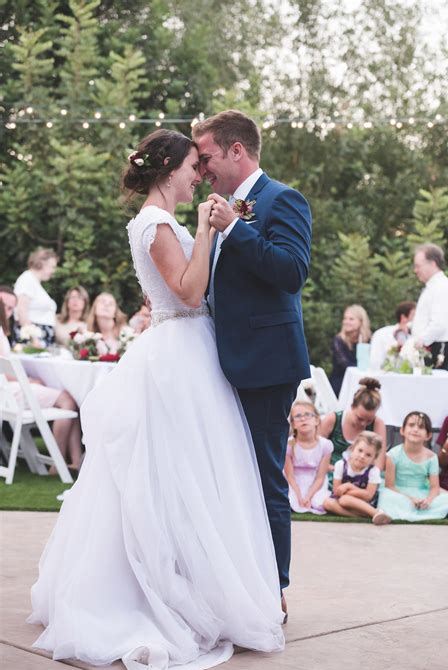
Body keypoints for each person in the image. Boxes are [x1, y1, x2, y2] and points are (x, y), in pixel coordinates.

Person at [28, 128, 285, 670]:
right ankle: (166, 596)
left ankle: (194, 582)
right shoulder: (157, 222)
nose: (200, 175)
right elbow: (189, 293)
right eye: (194, 165)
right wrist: (205, 231)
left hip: (187, 348)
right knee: (175, 477)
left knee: (191, 477)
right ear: (169, 169)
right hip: (178, 355)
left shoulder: (153, 222)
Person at [192, 110, 312, 621]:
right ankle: (239, 581)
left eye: (207, 158)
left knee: (265, 478)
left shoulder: (282, 199)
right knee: (229, 476)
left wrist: (236, 230)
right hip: (226, 360)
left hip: (266, 364)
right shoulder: (223, 207)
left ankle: (273, 591)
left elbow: (292, 271)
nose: (201, 170)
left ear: (236, 151)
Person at [0, 287, 82, 471]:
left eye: (11, 307)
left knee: (68, 397)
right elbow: (4, 372)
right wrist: (29, 381)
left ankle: (76, 462)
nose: (7, 311)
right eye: (4, 305)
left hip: (7, 394)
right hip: (9, 395)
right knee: (67, 399)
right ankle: (58, 463)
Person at [377, 412, 448, 521]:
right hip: (399, 493)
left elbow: (434, 487)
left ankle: (431, 510)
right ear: (402, 430)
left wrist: (428, 500)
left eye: (421, 427)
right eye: (411, 425)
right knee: (386, 497)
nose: (415, 430)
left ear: (428, 435)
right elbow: (390, 486)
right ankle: (437, 513)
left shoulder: (432, 457)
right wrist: (410, 499)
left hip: (422, 493)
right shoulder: (393, 454)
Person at [319, 377, 386, 488]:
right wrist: (333, 469)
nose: (364, 424)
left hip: (363, 478)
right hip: (331, 474)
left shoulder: (377, 424)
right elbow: (315, 451)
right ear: (352, 407)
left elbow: (379, 461)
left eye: (369, 420)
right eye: (359, 418)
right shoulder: (333, 419)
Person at [323, 431, 390, 524]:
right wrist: (347, 491)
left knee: (345, 499)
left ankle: (375, 512)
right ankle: (361, 516)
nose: (362, 456)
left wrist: (348, 486)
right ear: (352, 449)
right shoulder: (341, 465)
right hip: (342, 499)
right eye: (360, 450)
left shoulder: (373, 471)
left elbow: (368, 496)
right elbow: (337, 491)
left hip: (364, 503)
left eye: (368, 455)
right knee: (328, 503)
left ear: (374, 459)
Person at [412, 243, 448, 369]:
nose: (415, 270)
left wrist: (420, 341)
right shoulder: (433, 287)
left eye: (418, 266)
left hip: (436, 347)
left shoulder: (442, 287)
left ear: (432, 263)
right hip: (429, 345)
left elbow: (439, 323)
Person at [284, 401, 333, 514]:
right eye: (298, 416)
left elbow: (320, 477)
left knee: (318, 502)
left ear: (316, 420)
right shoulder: (289, 445)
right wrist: (300, 496)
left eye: (307, 415)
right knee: (291, 501)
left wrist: (308, 496)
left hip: (315, 483)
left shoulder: (325, 445)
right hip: (294, 483)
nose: (303, 419)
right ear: (293, 424)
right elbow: (289, 476)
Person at [13, 248, 58, 347]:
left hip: (42, 336)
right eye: (52, 267)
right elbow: (22, 310)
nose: (53, 271)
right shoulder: (27, 279)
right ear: (42, 262)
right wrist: (33, 339)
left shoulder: (34, 282)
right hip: (33, 338)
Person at [329, 305, 371, 397]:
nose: (346, 322)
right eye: (345, 318)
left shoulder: (367, 340)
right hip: (342, 384)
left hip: (363, 382)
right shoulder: (338, 340)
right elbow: (345, 364)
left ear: (361, 321)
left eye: (351, 319)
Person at [369, 301, 416, 370]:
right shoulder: (382, 334)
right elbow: (375, 362)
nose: (418, 319)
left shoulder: (418, 338)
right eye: (414, 315)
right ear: (403, 317)